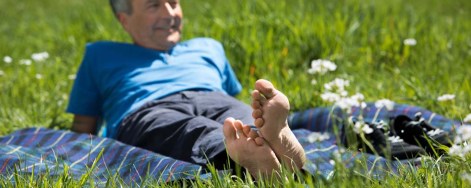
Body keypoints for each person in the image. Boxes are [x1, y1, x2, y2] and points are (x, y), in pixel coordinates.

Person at [66, 0, 306, 179]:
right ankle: (256, 153)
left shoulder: (208, 47)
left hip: (213, 98)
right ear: (124, 19)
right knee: (191, 130)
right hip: (148, 109)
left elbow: (227, 102)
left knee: (236, 117)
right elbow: (83, 126)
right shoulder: (100, 54)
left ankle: (268, 140)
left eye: (173, 2)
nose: (169, 13)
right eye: (154, 5)